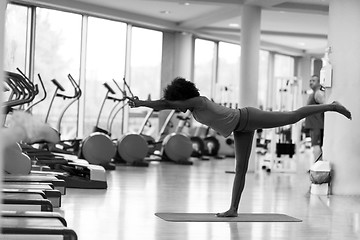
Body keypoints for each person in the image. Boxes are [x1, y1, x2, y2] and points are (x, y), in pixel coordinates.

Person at [127, 77, 352, 217]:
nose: (176, 105)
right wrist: (141, 104)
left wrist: (142, 102)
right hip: (240, 129)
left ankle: (331, 106)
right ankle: (233, 209)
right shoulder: (193, 109)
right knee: (240, 170)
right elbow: (166, 105)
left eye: (176, 100)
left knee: (292, 117)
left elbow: (166, 104)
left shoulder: (199, 101)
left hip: (248, 117)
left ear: (182, 96)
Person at [304, 75, 325, 162]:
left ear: (319, 82)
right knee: (315, 146)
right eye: (310, 80)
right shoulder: (313, 94)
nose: (311, 82)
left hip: (317, 125)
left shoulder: (318, 93)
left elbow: (325, 105)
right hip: (314, 125)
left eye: (314, 81)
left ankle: (317, 167)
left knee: (316, 146)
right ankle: (316, 166)